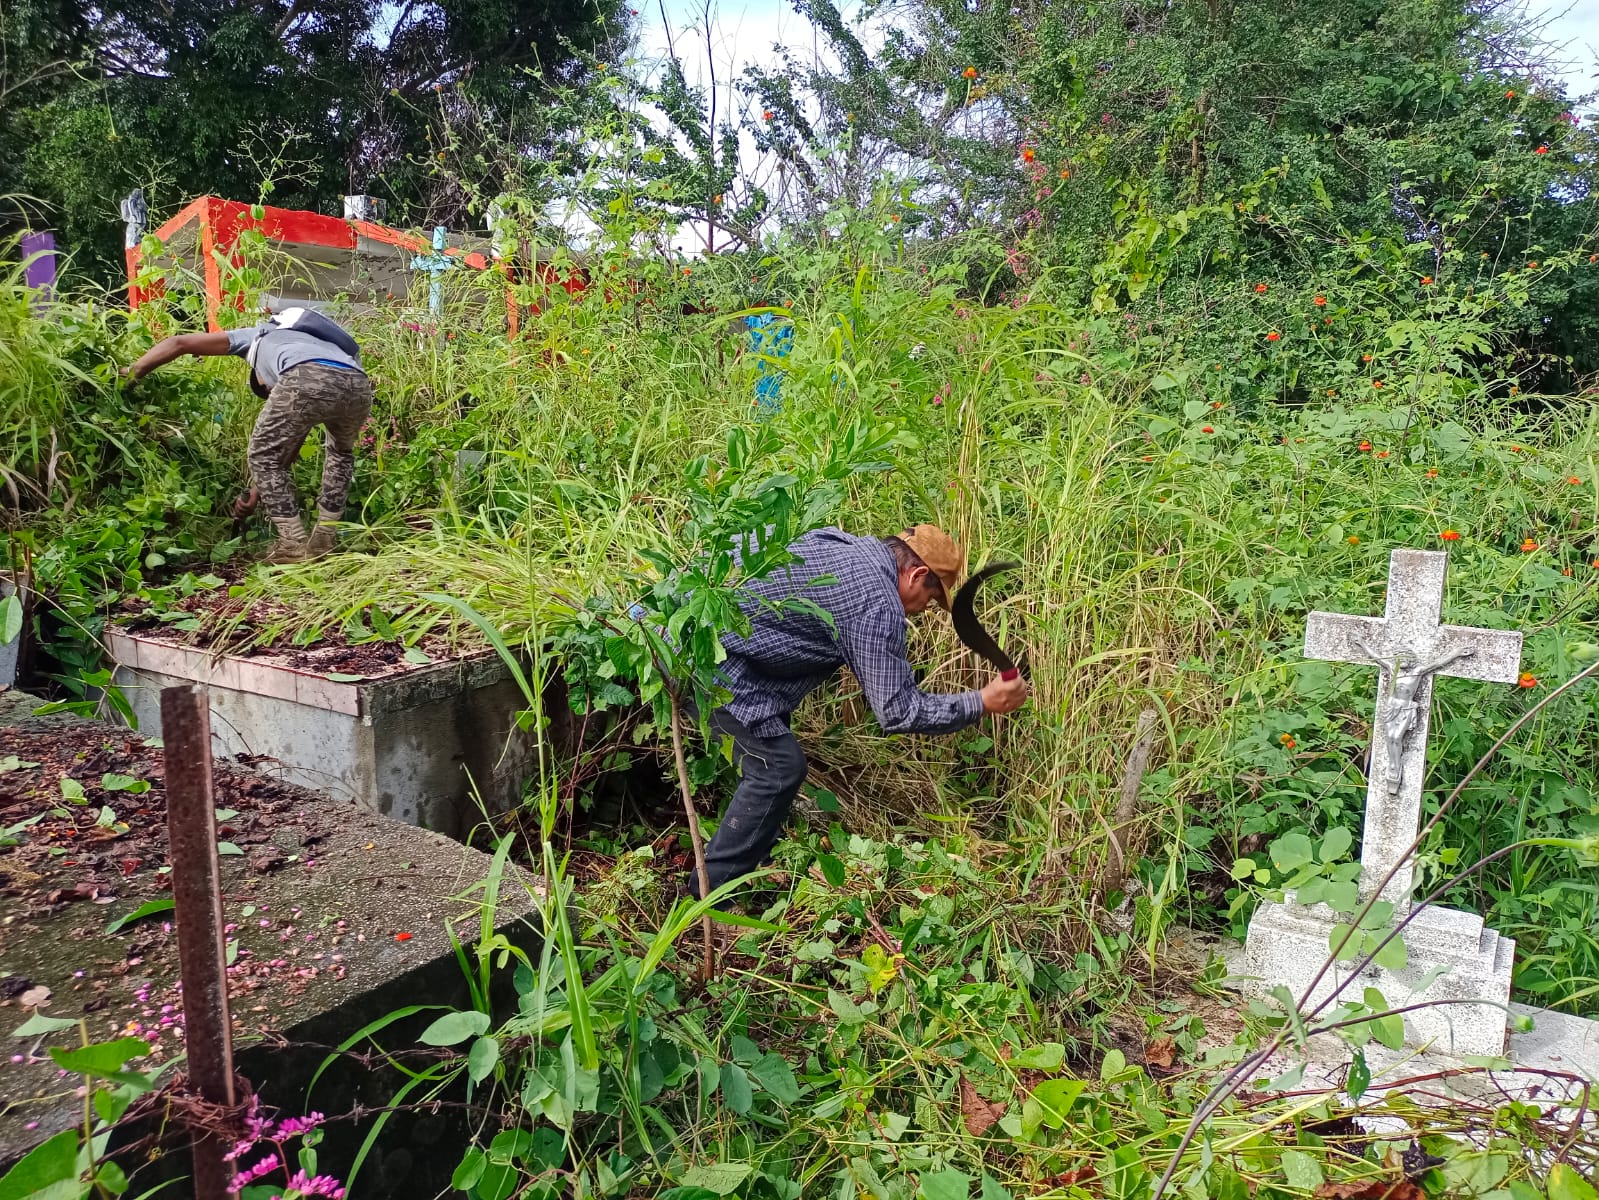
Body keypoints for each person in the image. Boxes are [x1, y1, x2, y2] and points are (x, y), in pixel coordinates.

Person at [697, 523, 1029, 896]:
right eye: (929, 598)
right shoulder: (877, 604)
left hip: (678, 619)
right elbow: (898, 711)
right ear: (917, 574)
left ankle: (754, 867)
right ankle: (708, 898)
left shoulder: (835, 541)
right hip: (710, 667)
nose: (922, 611)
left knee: (773, 743)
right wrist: (983, 701)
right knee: (777, 770)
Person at [124, 311, 373, 564]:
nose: (272, 391)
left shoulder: (254, 336)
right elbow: (284, 451)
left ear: (258, 376)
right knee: (340, 455)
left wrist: (132, 372)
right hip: (359, 384)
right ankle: (324, 540)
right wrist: (257, 492)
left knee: (261, 454)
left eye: (267, 390)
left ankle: (294, 544)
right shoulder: (317, 342)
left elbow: (179, 343)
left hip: (305, 375)